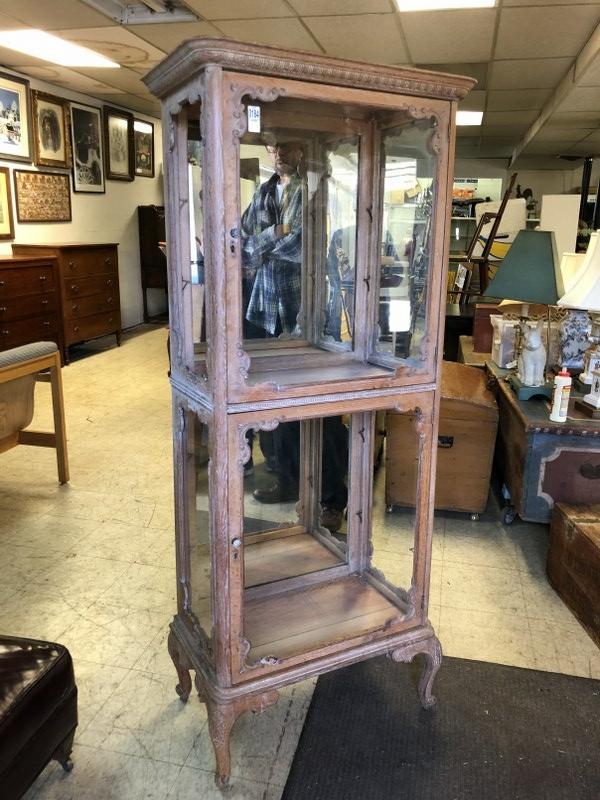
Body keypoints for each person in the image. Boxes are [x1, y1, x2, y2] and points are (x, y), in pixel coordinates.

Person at [240, 140, 347, 532]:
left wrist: (262, 243)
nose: (279, 153)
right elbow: (241, 242)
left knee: (319, 407)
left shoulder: (311, 191)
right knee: (273, 402)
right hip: (265, 308)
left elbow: (301, 245)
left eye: (286, 146)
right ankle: (286, 479)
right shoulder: (264, 192)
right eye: (273, 146)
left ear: (301, 150)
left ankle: (332, 498)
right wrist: (274, 233)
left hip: (305, 313)